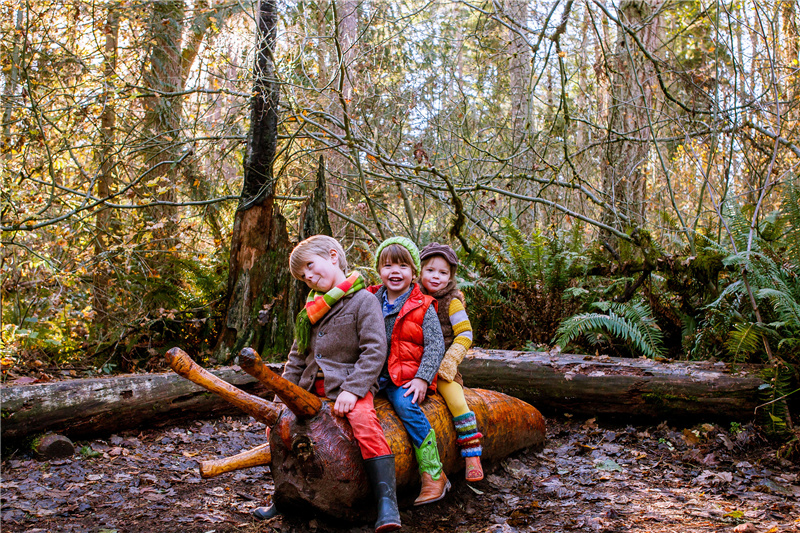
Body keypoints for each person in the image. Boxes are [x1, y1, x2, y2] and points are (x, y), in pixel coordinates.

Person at [252, 235, 401, 533]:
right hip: (307, 390)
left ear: (333, 256)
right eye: (301, 275)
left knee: (365, 424)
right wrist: (281, 399)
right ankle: (285, 496)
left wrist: (354, 389)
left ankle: (387, 503)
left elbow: (374, 351)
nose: (307, 276)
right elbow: (296, 359)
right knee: (280, 431)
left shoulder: (364, 301)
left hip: (349, 388)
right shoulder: (310, 311)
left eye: (309, 266)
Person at [369, 236, 450, 506]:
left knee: (406, 406)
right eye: (388, 265)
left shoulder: (422, 305)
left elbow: (435, 345)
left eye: (403, 266)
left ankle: (433, 473)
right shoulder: (368, 299)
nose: (395, 272)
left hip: (405, 377)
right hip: (371, 374)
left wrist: (422, 378)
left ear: (414, 271)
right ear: (379, 271)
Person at [419, 242, 483, 482]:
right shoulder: (411, 295)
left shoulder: (451, 301)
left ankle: (471, 454)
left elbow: (465, 333)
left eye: (443, 272)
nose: (436, 277)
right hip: (413, 364)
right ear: (420, 271)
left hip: (443, 367)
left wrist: (450, 362)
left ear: (451, 276)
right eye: (430, 270)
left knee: (457, 401)